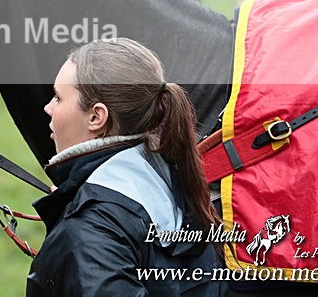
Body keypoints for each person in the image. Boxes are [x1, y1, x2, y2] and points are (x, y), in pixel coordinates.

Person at [26, 38, 224, 296]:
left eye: (58, 98)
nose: (47, 108)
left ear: (96, 117)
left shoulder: (90, 232)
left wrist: (78, 225)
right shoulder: (169, 179)